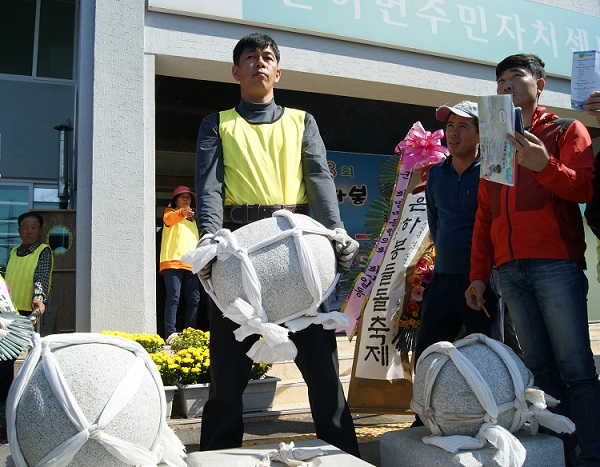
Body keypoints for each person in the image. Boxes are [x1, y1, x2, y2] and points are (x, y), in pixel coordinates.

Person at [194, 33, 360, 456]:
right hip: (236, 252)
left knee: (321, 364)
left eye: (267, 58)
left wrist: (335, 232)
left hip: (299, 250)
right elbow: (208, 189)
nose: (259, 64)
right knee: (227, 370)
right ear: (236, 71)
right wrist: (210, 243)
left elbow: (320, 180)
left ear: (278, 71)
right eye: (250, 58)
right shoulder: (217, 122)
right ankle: (216, 454)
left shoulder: (302, 120)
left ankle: (342, 451)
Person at [466, 54, 600, 465]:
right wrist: (478, 275)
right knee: (538, 369)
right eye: (500, 79)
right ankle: (559, 453)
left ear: (538, 85)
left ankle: (592, 453)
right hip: (509, 268)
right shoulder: (493, 138)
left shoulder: (564, 129)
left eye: (516, 77)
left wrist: (546, 166)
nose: (506, 84)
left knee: (576, 367)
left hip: (555, 262)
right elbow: (485, 215)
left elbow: (585, 190)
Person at [413, 101, 498, 368]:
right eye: (450, 126)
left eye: (463, 126)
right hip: (442, 279)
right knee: (427, 357)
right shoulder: (437, 173)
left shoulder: (494, 171)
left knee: (485, 359)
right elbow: (435, 223)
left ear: (480, 133)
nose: (453, 133)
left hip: (482, 280)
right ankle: (425, 412)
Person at [0, 212, 53, 443]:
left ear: (39, 230)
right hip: (7, 313)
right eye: (25, 227)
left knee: (25, 364)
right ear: (19, 230)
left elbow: (41, 277)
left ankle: (21, 415)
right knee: (4, 363)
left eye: (33, 227)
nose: (29, 231)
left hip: (26, 314)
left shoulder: (43, 251)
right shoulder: (12, 252)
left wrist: (39, 299)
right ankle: (7, 413)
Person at [159, 185, 201, 344]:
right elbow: (170, 220)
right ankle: (170, 334)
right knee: (174, 297)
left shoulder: (193, 221)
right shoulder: (169, 213)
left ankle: (189, 332)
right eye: (182, 196)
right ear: (175, 200)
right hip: (172, 262)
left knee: (194, 299)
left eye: (188, 197)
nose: (185, 199)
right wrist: (182, 212)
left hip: (191, 265)